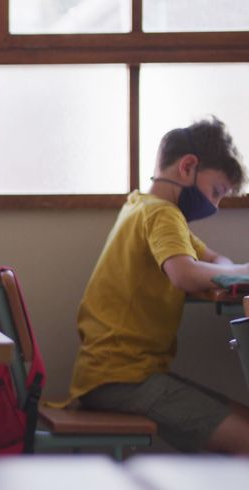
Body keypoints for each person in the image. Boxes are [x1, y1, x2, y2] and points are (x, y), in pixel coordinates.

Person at [67, 117, 249, 455]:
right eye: (216, 192)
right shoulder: (162, 215)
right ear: (188, 167)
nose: (215, 205)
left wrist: (227, 274)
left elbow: (210, 259)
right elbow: (183, 273)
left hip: (116, 374)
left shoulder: (143, 206)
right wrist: (239, 272)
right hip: (123, 380)